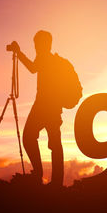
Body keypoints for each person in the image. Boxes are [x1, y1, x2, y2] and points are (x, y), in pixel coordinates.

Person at [9, 30, 64, 186]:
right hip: (53, 107)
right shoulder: (53, 60)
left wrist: (18, 53)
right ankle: (56, 182)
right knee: (55, 143)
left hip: (43, 106)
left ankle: (39, 173)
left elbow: (33, 68)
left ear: (44, 44)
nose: (35, 47)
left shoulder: (44, 57)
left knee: (29, 137)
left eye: (36, 44)